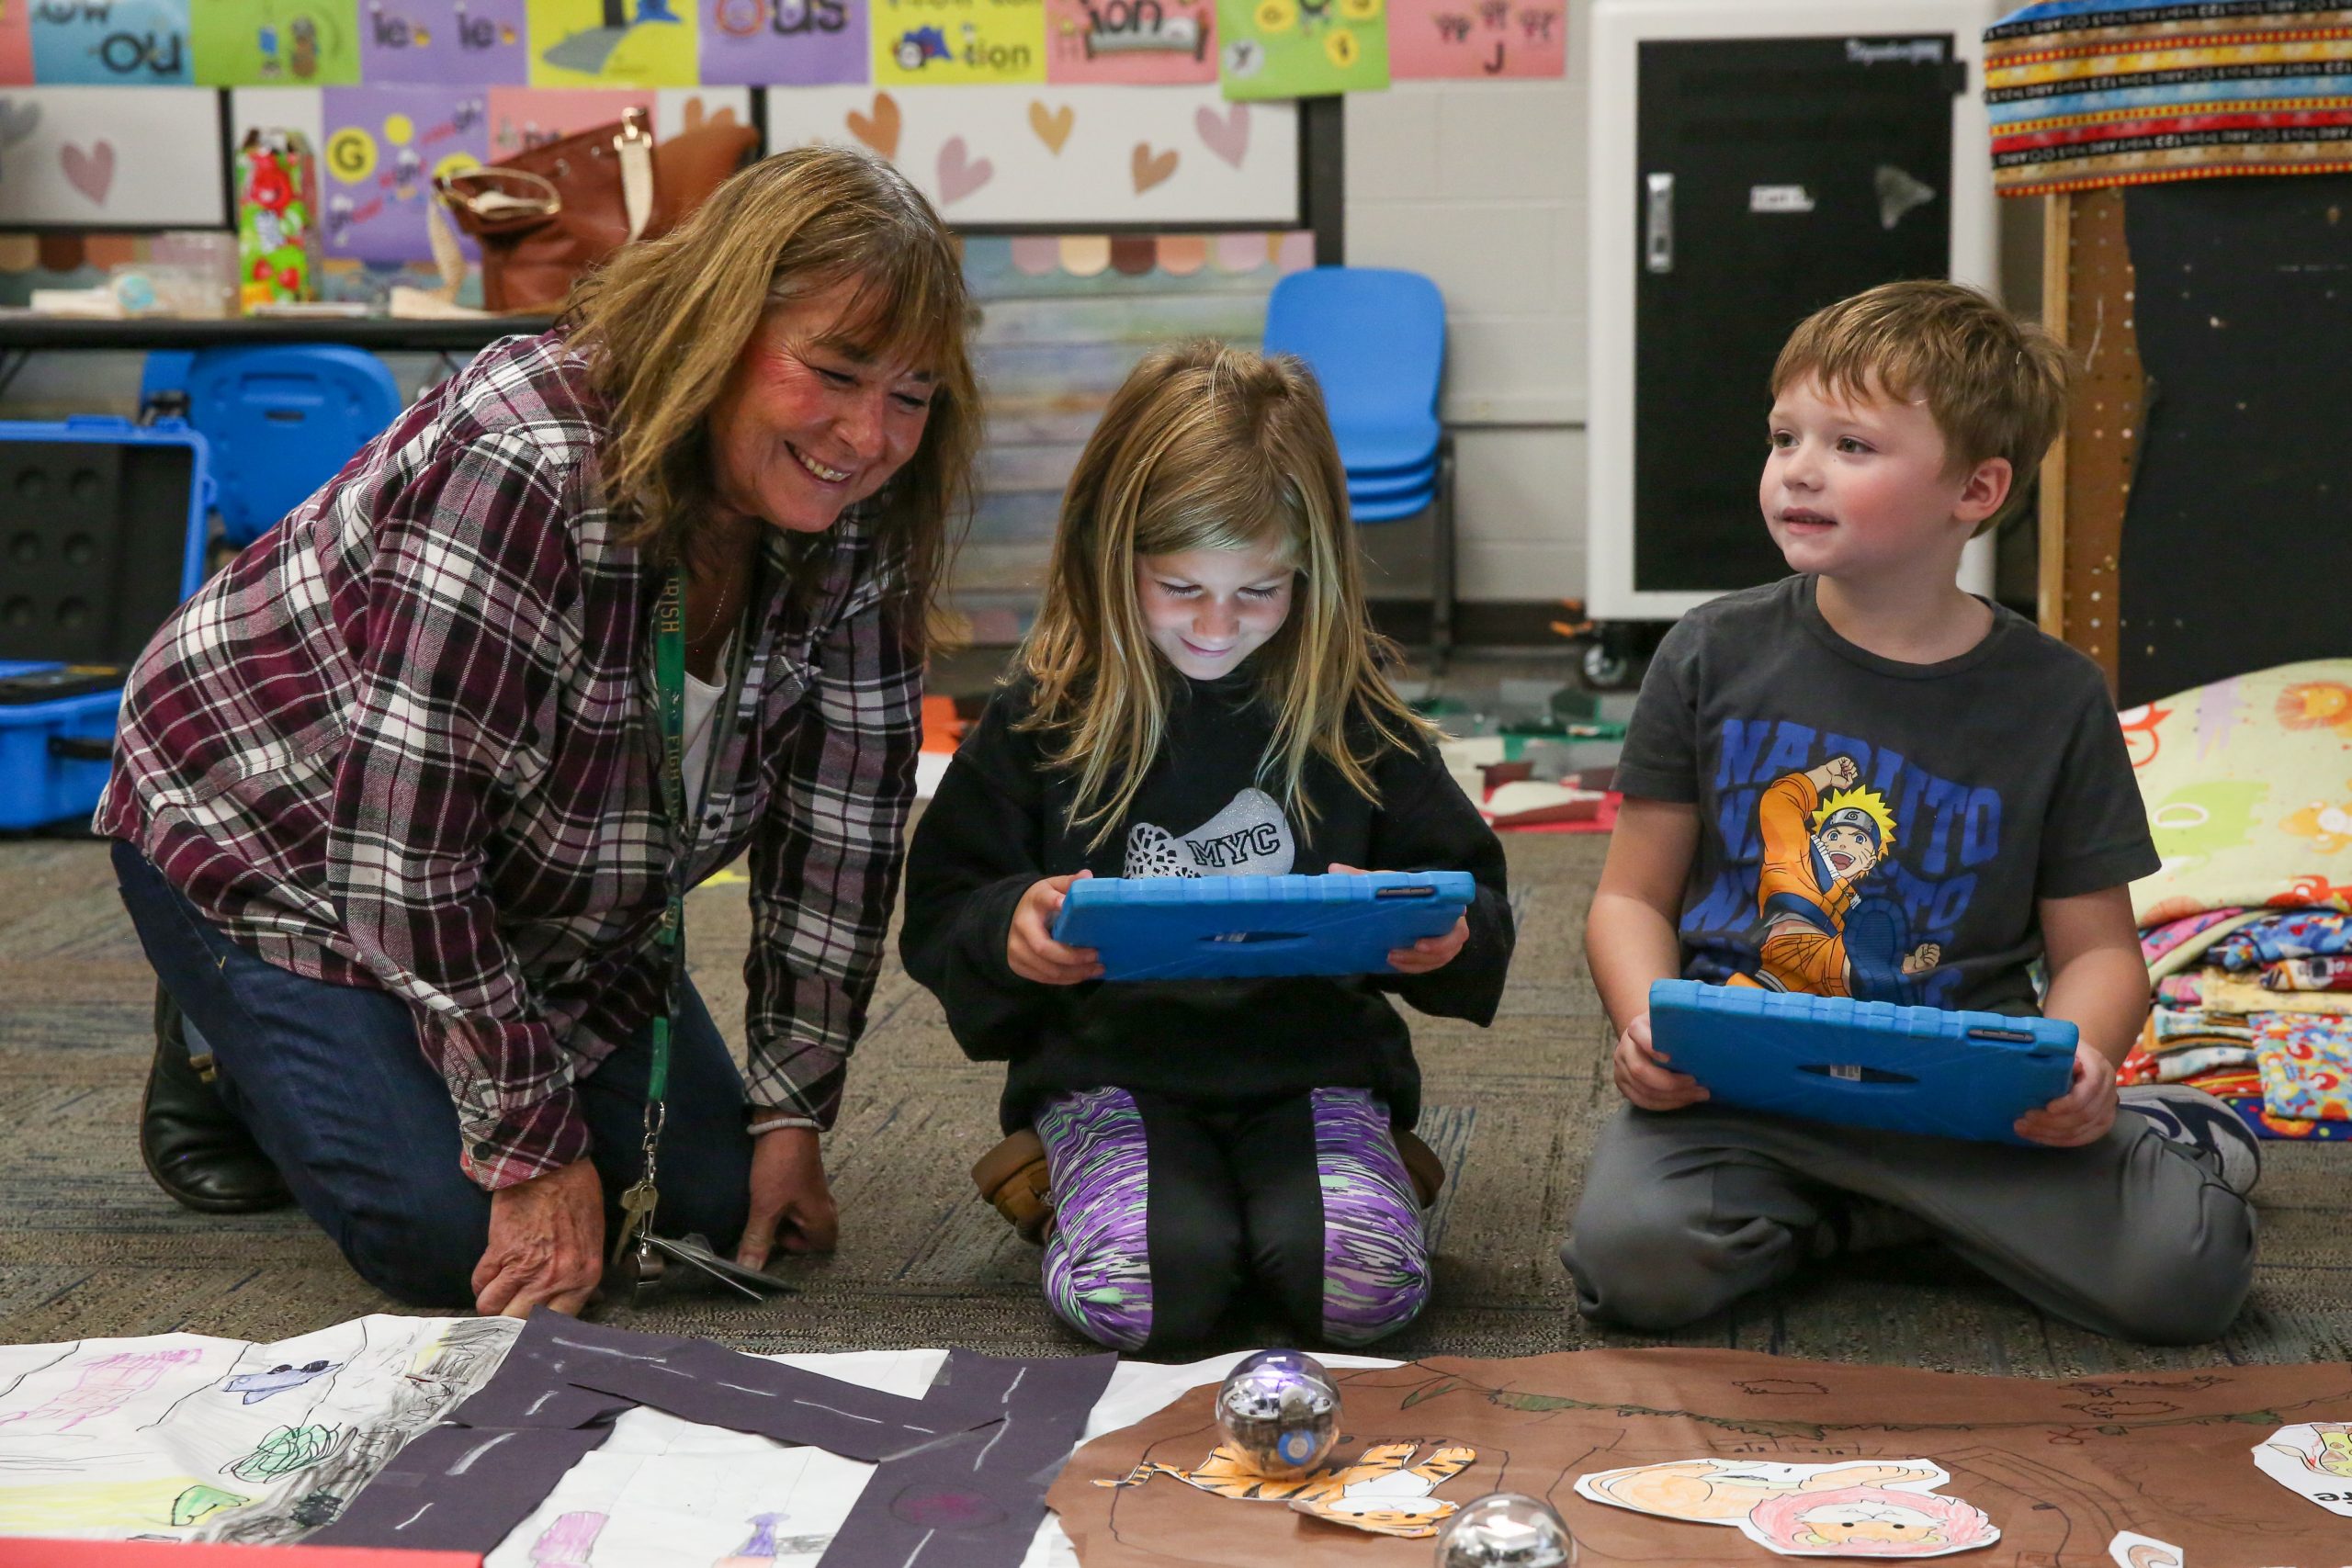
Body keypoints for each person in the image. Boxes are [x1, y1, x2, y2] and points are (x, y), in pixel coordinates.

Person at [99, 145, 979, 1316]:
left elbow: (845, 831)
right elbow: (400, 855)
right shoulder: (533, 457)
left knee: (704, 1204)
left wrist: (790, 1106)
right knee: (452, 1237)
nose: (867, 437)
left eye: (911, 394)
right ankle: (222, 1032)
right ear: (720, 327)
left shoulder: (860, 508)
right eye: (833, 372)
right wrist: (528, 1149)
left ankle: (378, 1053)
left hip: (548, 887)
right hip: (283, 839)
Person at [1562, 280, 2260, 1345]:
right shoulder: (1709, 652)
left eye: (1851, 446)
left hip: (1967, 1102)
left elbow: (2101, 952)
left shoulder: (2054, 695)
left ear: (1975, 489)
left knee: (2187, 1281)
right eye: (1785, 434)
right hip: (1746, 1095)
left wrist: (2087, 1060)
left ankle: (2137, 1137)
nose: (1797, 467)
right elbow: (1627, 898)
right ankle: (1901, 1223)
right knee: (1634, 1267)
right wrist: (1645, 1017)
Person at [899, 342, 1514, 1351]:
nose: (1220, 627)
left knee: (1364, 1295)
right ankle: (1069, 1177)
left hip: (1313, 1072)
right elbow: (944, 901)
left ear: (1309, 579)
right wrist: (1010, 927)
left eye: (1260, 593)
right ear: (1112, 556)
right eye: (1181, 589)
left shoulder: (1348, 718)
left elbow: (1473, 899)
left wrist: (1439, 938)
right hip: (1114, 1074)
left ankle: (1363, 1174)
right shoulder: (1046, 718)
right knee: (1141, 1294)